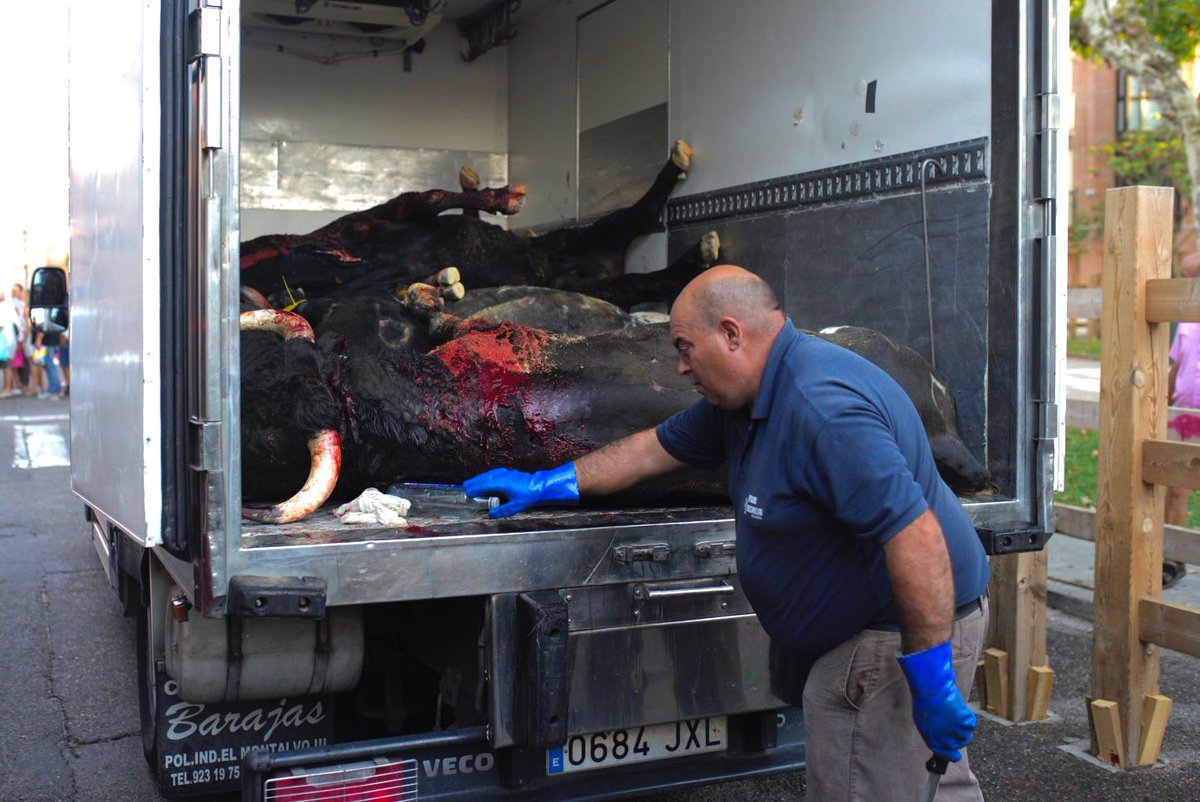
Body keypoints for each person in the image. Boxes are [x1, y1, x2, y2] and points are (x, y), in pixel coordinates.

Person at [466, 265, 990, 801]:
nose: (680, 365)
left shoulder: (820, 410)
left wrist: (929, 676)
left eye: (686, 347)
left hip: (892, 636)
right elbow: (652, 450)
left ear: (732, 334)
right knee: (931, 783)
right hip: (882, 625)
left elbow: (917, 539)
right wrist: (551, 482)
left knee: (863, 785)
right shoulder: (746, 397)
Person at [1164, 252, 1200, 588]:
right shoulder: (1186, 317)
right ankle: (1173, 556)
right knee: (1175, 485)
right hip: (1185, 415)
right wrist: (1162, 401)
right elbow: (1176, 366)